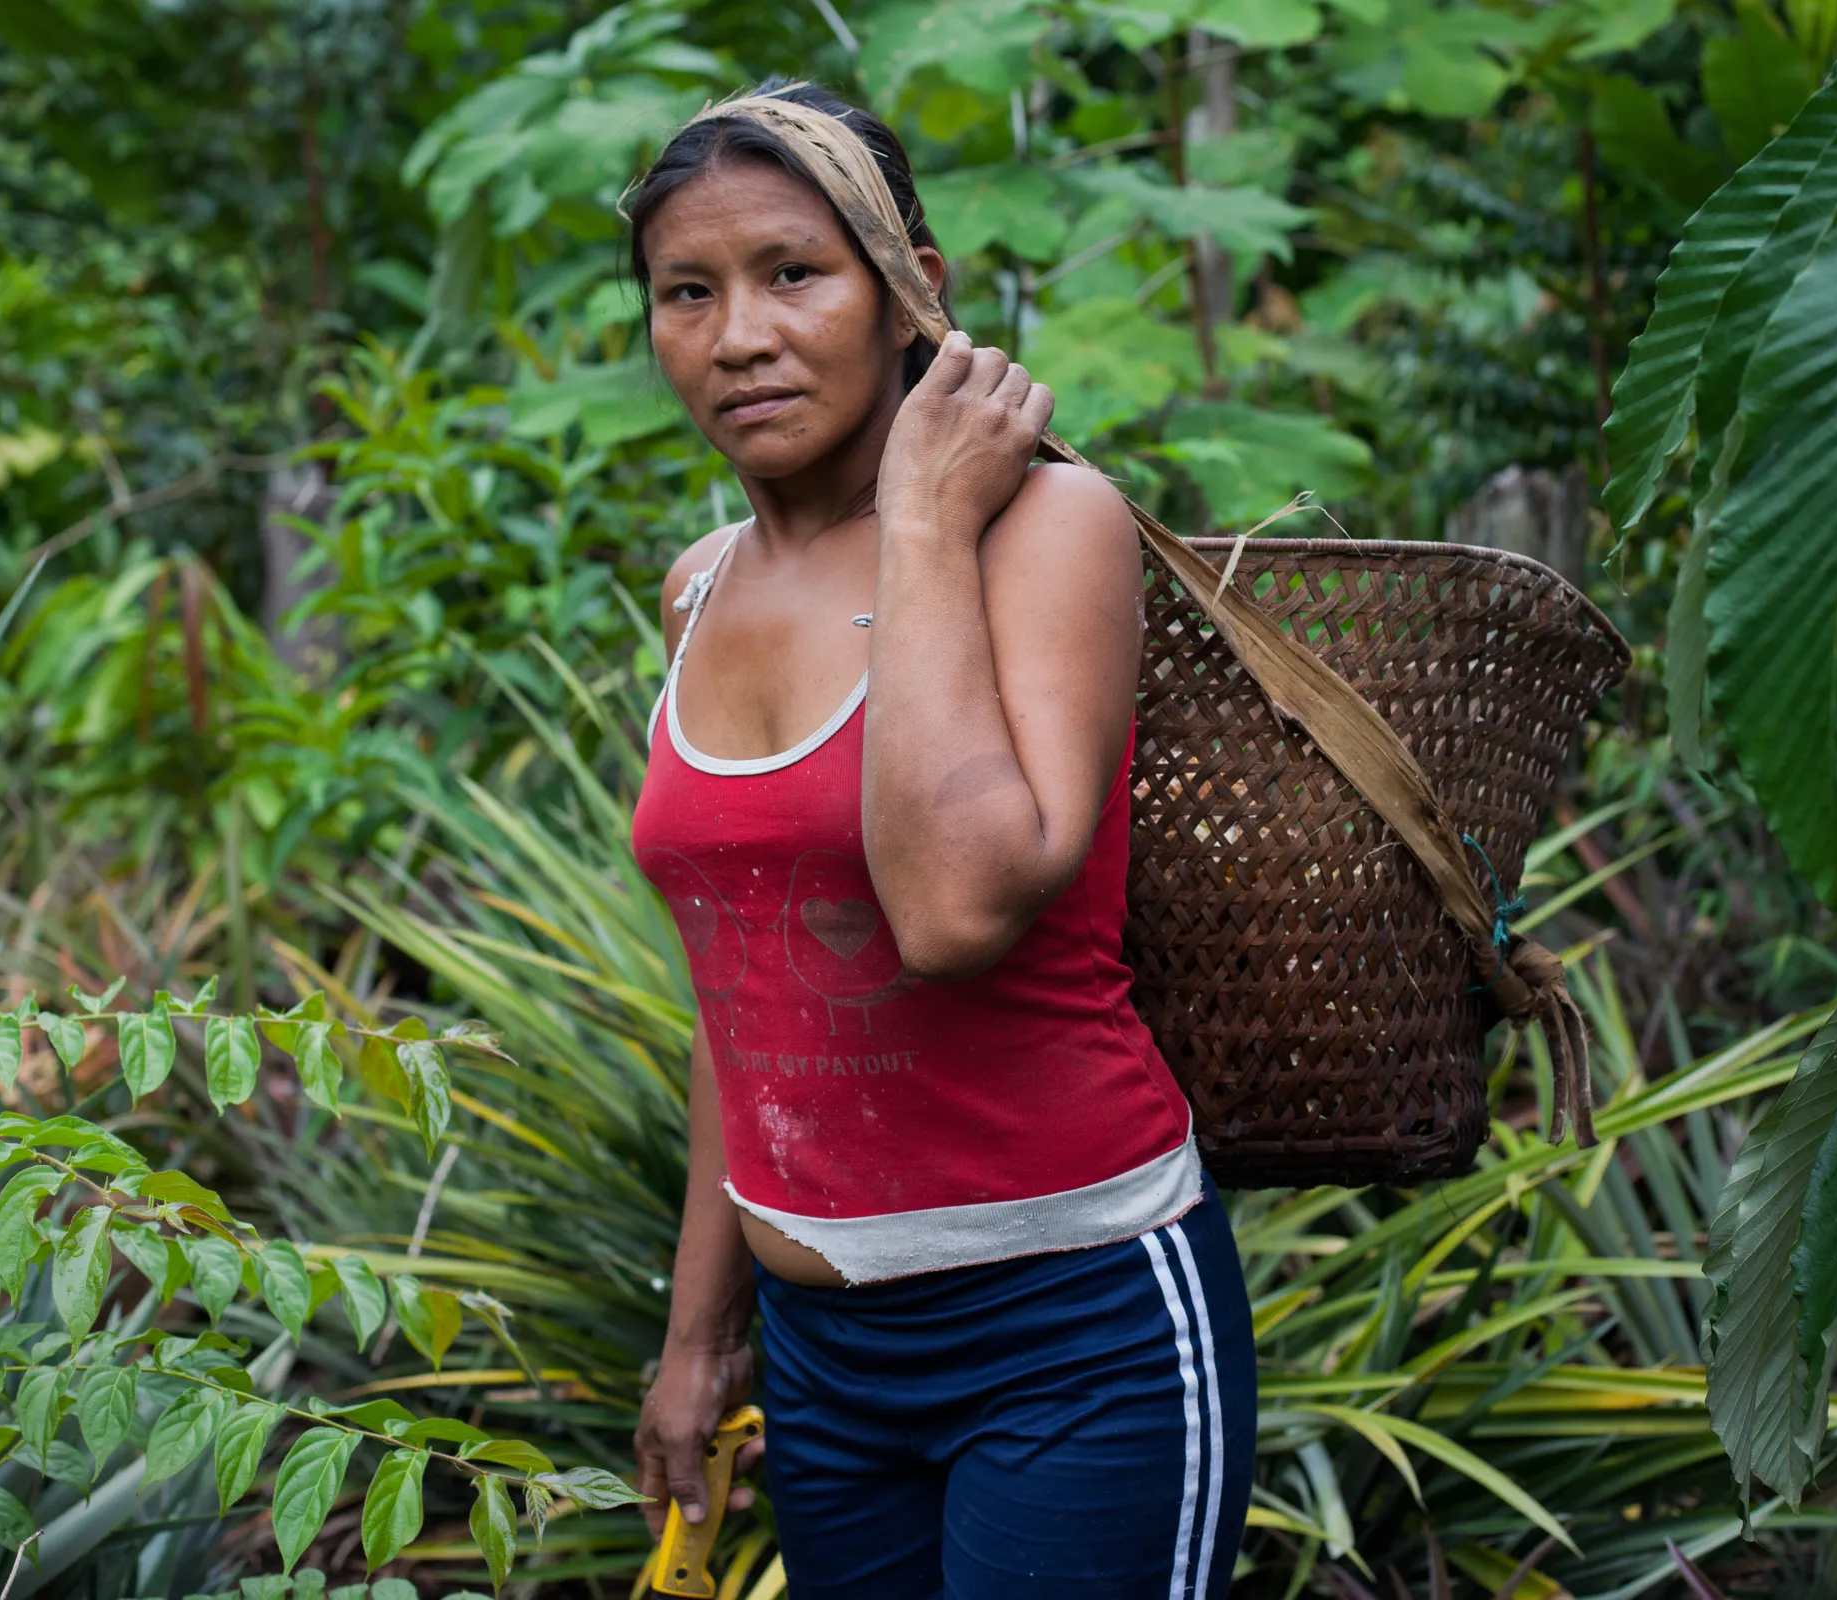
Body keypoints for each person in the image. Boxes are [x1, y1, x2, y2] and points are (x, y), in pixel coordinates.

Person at [624, 80, 1255, 1598]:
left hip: (1074, 1331)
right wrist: (699, 1337)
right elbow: (743, 995)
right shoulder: (698, 587)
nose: (739, 337)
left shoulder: (1046, 529)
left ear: (914, 290)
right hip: (826, 1361)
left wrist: (919, 520)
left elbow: (958, 908)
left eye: (794, 274)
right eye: (686, 294)